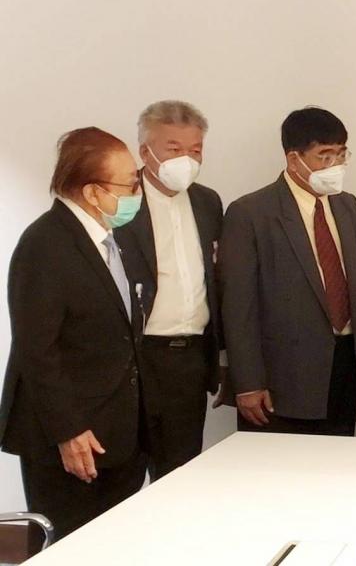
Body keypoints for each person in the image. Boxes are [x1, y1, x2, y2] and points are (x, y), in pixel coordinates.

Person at [0, 127, 147, 538]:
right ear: (93, 192)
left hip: (117, 432)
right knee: (74, 544)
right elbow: (37, 351)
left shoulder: (111, 238)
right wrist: (68, 432)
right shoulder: (44, 244)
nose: (138, 192)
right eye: (130, 184)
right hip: (71, 440)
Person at [219, 107, 356, 435]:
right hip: (282, 379)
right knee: (279, 465)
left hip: (344, 367)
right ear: (294, 159)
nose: (335, 165)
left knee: (337, 462)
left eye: (341, 154)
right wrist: (247, 382)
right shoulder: (250, 213)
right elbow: (238, 307)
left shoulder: (348, 206)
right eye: (325, 156)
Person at [115, 101, 223, 480]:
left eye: (195, 150)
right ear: (145, 152)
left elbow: (217, 281)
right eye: (174, 149)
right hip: (133, 358)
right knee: (122, 477)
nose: (186, 160)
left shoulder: (208, 202)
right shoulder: (119, 200)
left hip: (188, 360)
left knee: (179, 478)